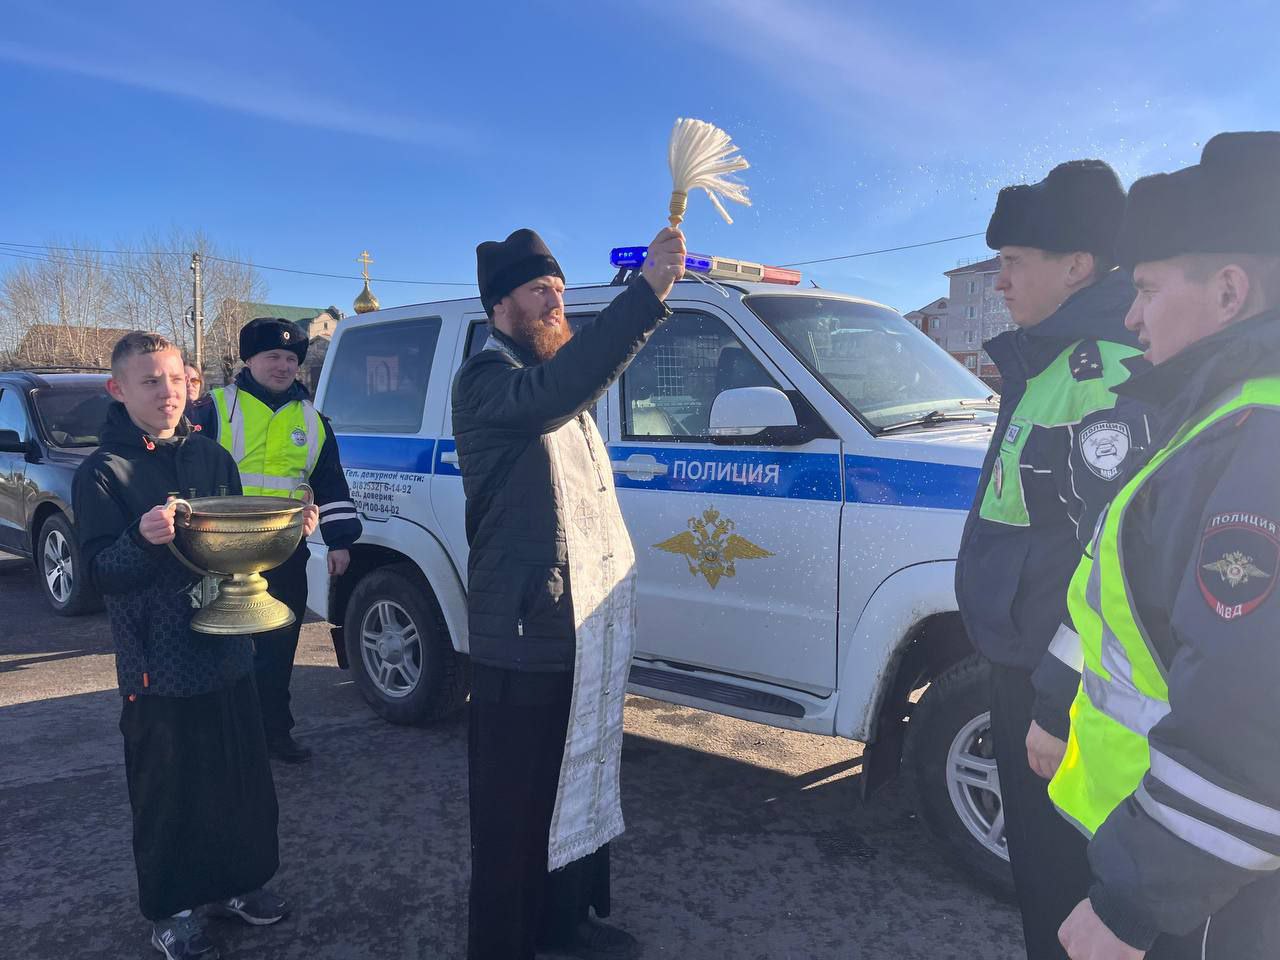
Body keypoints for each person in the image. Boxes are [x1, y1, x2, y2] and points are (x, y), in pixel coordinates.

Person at [1053, 132, 1280, 960]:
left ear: (1227, 292)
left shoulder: (1258, 437)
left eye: (1147, 288)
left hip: (1219, 902)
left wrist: (1131, 905)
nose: (1130, 316)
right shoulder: (1226, 415)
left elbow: (1252, 716)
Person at [453, 226, 684, 960]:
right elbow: (560, 386)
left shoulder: (549, 376)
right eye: (538, 292)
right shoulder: (489, 380)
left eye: (559, 291)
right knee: (514, 808)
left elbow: (571, 377)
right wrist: (645, 296)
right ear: (500, 305)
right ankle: (505, 944)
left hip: (576, 621)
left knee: (576, 778)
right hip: (521, 629)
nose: (555, 304)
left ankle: (566, 921)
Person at [953, 160, 1145, 958]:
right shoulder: (1048, 362)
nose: (999, 282)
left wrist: (1055, 696)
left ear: (1078, 266)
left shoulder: (1109, 373)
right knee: (1043, 893)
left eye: (1013, 263)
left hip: (1059, 682)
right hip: (1023, 666)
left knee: (1071, 907)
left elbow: (1117, 559)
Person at [74, 331, 317, 959]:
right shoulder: (103, 472)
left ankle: (240, 884)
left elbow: (239, 542)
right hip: (158, 664)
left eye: (174, 379)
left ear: (191, 382)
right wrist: (142, 535)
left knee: (240, 778)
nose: (165, 393)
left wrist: (287, 528)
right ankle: (172, 909)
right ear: (118, 389)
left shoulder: (212, 456)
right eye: (148, 381)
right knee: (170, 790)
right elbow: (101, 574)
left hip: (229, 645)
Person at [190, 319, 361, 762]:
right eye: (273, 357)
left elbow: (331, 482)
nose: (283, 366)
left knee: (278, 647)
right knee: (221, 648)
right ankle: (225, 738)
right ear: (249, 360)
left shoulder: (312, 420)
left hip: (283, 552)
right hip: (218, 552)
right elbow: (185, 471)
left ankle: (274, 734)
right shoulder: (213, 408)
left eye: (290, 358)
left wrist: (340, 540)